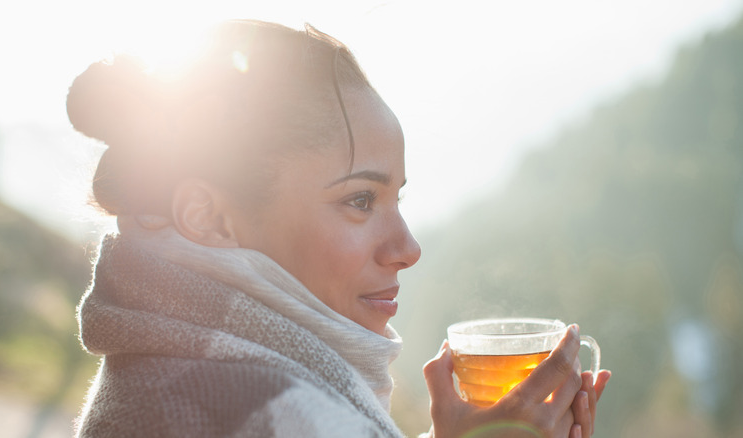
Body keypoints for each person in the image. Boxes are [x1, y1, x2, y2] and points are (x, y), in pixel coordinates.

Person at [67, 20, 610, 438]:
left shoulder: (178, 373)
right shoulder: (264, 410)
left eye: (396, 198)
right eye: (359, 200)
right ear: (209, 217)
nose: (409, 249)